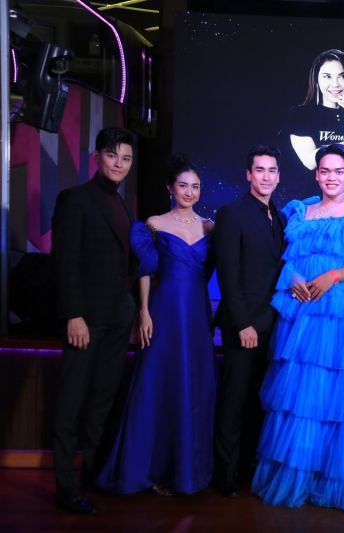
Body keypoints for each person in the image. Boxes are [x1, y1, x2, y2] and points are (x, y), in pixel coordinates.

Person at [251, 143, 344, 515]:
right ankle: (301, 474)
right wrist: (292, 276)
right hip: (304, 316)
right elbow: (280, 257)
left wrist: (333, 275)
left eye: (339, 171)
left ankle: (337, 477)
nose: (332, 177)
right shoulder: (298, 212)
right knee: (302, 399)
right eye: (325, 171)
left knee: (342, 397)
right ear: (317, 174)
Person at [94, 154, 216, 495]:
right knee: (157, 384)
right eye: (183, 186)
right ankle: (148, 468)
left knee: (192, 385)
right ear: (170, 188)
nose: (189, 192)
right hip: (164, 310)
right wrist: (144, 311)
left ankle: (184, 471)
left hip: (196, 313)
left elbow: (208, 271)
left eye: (195, 187)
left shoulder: (210, 227)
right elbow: (146, 271)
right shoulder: (154, 223)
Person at [51, 127, 137, 514]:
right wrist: (74, 315)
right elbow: (65, 262)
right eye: (112, 155)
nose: (119, 164)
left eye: (126, 158)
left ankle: (91, 475)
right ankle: (66, 487)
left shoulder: (121, 203)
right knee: (71, 402)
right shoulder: (75, 199)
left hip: (117, 318)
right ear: (97, 156)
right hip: (85, 320)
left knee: (103, 399)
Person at [214, 144, 285, 497]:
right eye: (260, 170)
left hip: (273, 325)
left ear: (278, 176)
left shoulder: (281, 217)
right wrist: (243, 324)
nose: (266, 177)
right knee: (234, 401)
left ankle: (247, 468)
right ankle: (225, 474)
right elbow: (227, 275)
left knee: (260, 400)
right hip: (243, 325)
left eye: (272, 170)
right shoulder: (232, 213)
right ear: (248, 174)